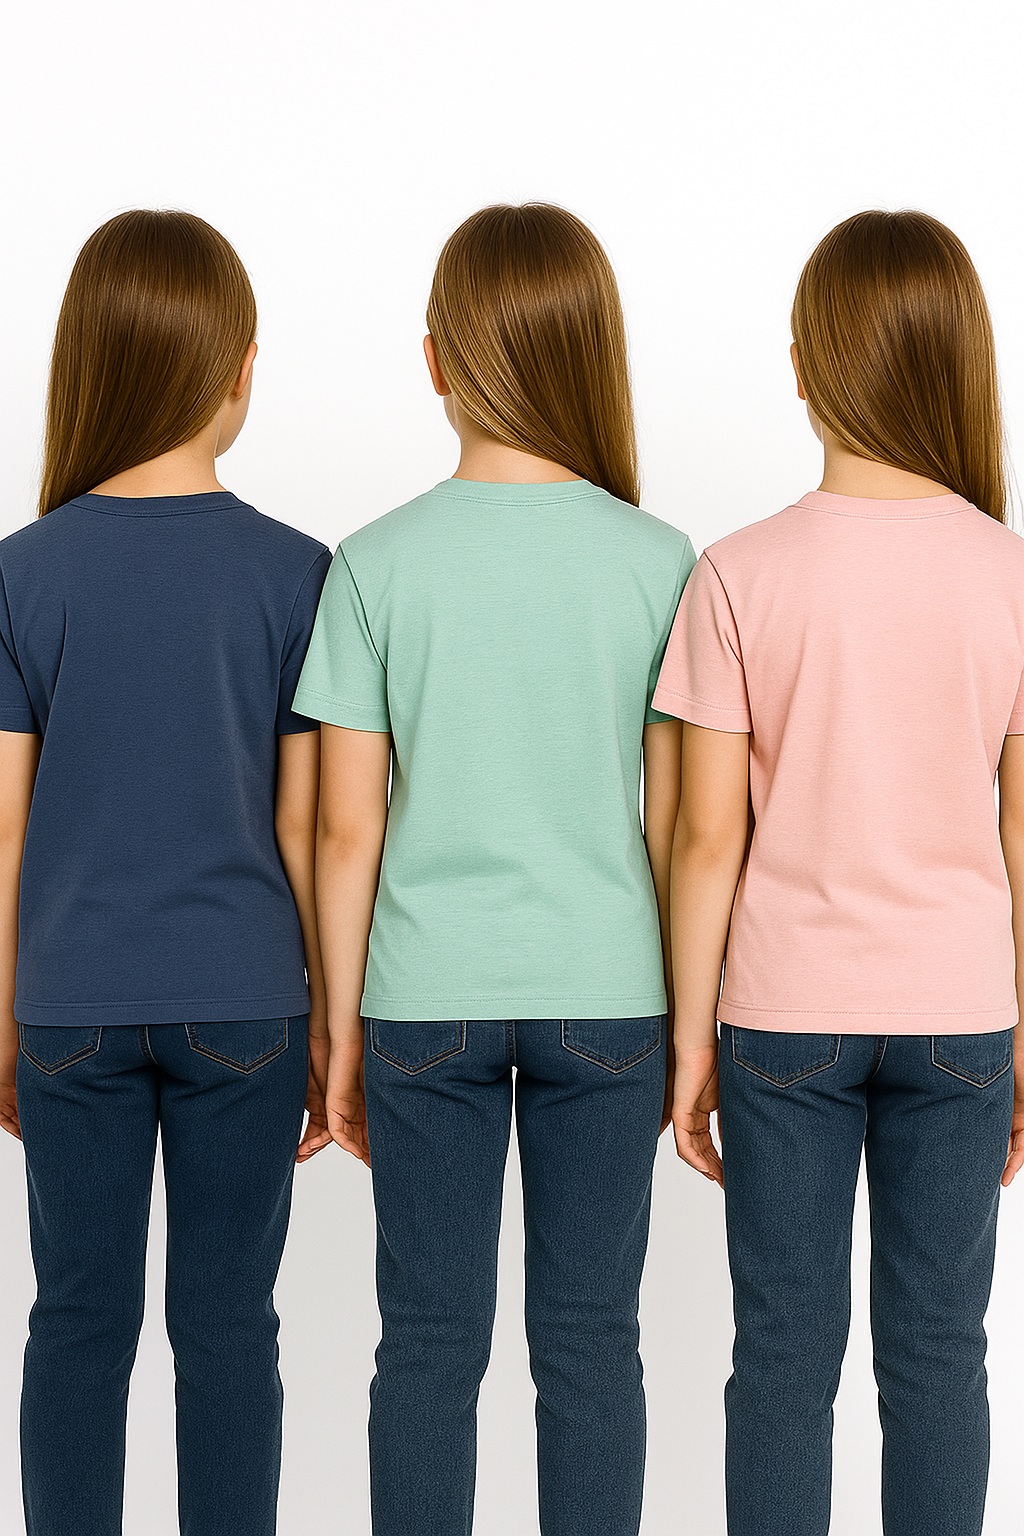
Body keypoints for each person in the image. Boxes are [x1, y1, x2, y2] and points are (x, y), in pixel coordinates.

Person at [293, 202, 695, 1536]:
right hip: (609, 992)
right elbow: (676, 828)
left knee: (425, 1342)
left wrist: (336, 1028)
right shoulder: (661, 564)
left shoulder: (373, 565)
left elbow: (345, 832)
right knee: (591, 1342)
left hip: (425, 997)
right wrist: (690, 1019)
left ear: (434, 361)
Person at [656, 209, 1024, 1536]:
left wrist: (688, 1041)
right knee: (940, 1361)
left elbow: (706, 841)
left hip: (784, 1018)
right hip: (962, 1014)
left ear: (806, 365)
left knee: (782, 1361)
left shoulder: (737, 574)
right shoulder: (1011, 576)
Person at [0, 209, 333, 1536]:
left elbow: (4, 832)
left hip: (70, 1000)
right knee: (231, 1325)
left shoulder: (20, 576)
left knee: (76, 1319)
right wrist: (332, 1019)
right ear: (239, 369)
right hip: (246, 1001)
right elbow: (309, 831)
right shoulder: (299, 575)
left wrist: (0, 1014)